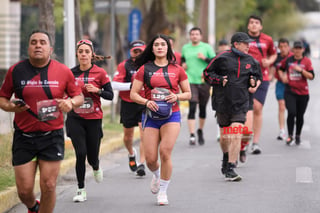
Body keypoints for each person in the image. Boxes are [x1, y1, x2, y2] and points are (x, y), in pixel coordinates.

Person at [0, 30, 84, 213]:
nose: (38, 45)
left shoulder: (62, 71)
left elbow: (79, 96)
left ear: (50, 49)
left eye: (42, 42)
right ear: (28, 47)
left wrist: (70, 102)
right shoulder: (16, 70)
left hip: (51, 136)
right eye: (34, 42)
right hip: (24, 135)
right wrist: (11, 107)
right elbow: (2, 98)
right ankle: (33, 207)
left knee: (49, 185)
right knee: (24, 191)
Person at [130, 34, 191, 205]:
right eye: (156, 44)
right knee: (150, 159)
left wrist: (176, 96)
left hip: (172, 115)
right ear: (152, 48)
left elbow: (188, 93)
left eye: (162, 44)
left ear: (168, 48)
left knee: (165, 151)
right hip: (151, 116)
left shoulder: (177, 69)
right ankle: (157, 175)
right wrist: (147, 101)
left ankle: (163, 191)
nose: (159, 47)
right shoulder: (145, 69)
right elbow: (133, 94)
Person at [204, 32, 262, 181]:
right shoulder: (221, 58)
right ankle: (225, 156)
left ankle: (231, 167)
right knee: (225, 138)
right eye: (245, 43)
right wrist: (218, 80)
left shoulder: (251, 60)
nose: (249, 46)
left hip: (241, 103)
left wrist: (254, 81)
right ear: (236, 44)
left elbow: (257, 76)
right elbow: (207, 74)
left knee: (236, 133)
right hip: (222, 103)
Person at [66, 39, 114, 202]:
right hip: (75, 118)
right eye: (81, 52)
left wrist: (98, 90)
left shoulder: (100, 73)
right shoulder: (70, 73)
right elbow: (63, 93)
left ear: (92, 54)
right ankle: (81, 189)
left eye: (87, 52)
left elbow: (110, 95)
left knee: (92, 156)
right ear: (77, 54)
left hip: (94, 119)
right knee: (80, 153)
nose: (84, 54)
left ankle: (95, 165)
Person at [112, 40, 146, 176]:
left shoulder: (149, 65)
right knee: (128, 136)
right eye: (135, 51)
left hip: (144, 102)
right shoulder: (123, 66)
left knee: (144, 134)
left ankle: (141, 164)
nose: (137, 54)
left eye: (140, 51)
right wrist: (131, 87)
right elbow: (114, 85)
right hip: (128, 102)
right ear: (131, 52)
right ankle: (132, 154)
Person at [247, 15, 277, 154]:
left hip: (262, 77)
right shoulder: (242, 39)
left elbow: (273, 54)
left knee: (257, 107)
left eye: (256, 23)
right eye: (251, 23)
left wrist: (269, 62)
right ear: (248, 26)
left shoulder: (268, 39)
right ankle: (245, 138)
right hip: (244, 77)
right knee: (246, 109)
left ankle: (256, 142)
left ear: (261, 26)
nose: (253, 25)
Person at [181, 27, 216, 145]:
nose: (194, 36)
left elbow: (214, 61)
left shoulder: (206, 47)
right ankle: (192, 135)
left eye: (196, 34)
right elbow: (182, 59)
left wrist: (204, 58)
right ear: (190, 36)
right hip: (190, 80)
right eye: (192, 34)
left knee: (202, 108)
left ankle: (200, 130)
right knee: (192, 105)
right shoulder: (185, 48)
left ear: (200, 36)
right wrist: (183, 64)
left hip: (204, 80)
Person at [278, 40, 315, 145]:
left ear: (303, 50)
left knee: (300, 115)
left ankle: (297, 134)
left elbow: (312, 76)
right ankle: (290, 135)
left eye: (300, 48)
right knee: (292, 112)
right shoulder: (288, 60)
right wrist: (282, 76)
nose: (298, 50)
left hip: (303, 93)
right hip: (290, 91)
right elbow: (280, 69)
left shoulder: (307, 61)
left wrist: (301, 71)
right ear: (293, 49)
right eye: (296, 48)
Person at [270, 38, 292, 140]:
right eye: (281, 47)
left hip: (292, 85)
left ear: (289, 47)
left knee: (291, 109)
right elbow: (272, 70)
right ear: (278, 48)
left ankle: (292, 128)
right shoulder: (276, 58)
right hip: (280, 84)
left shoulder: (293, 57)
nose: (283, 49)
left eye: (285, 47)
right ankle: (282, 130)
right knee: (281, 106)